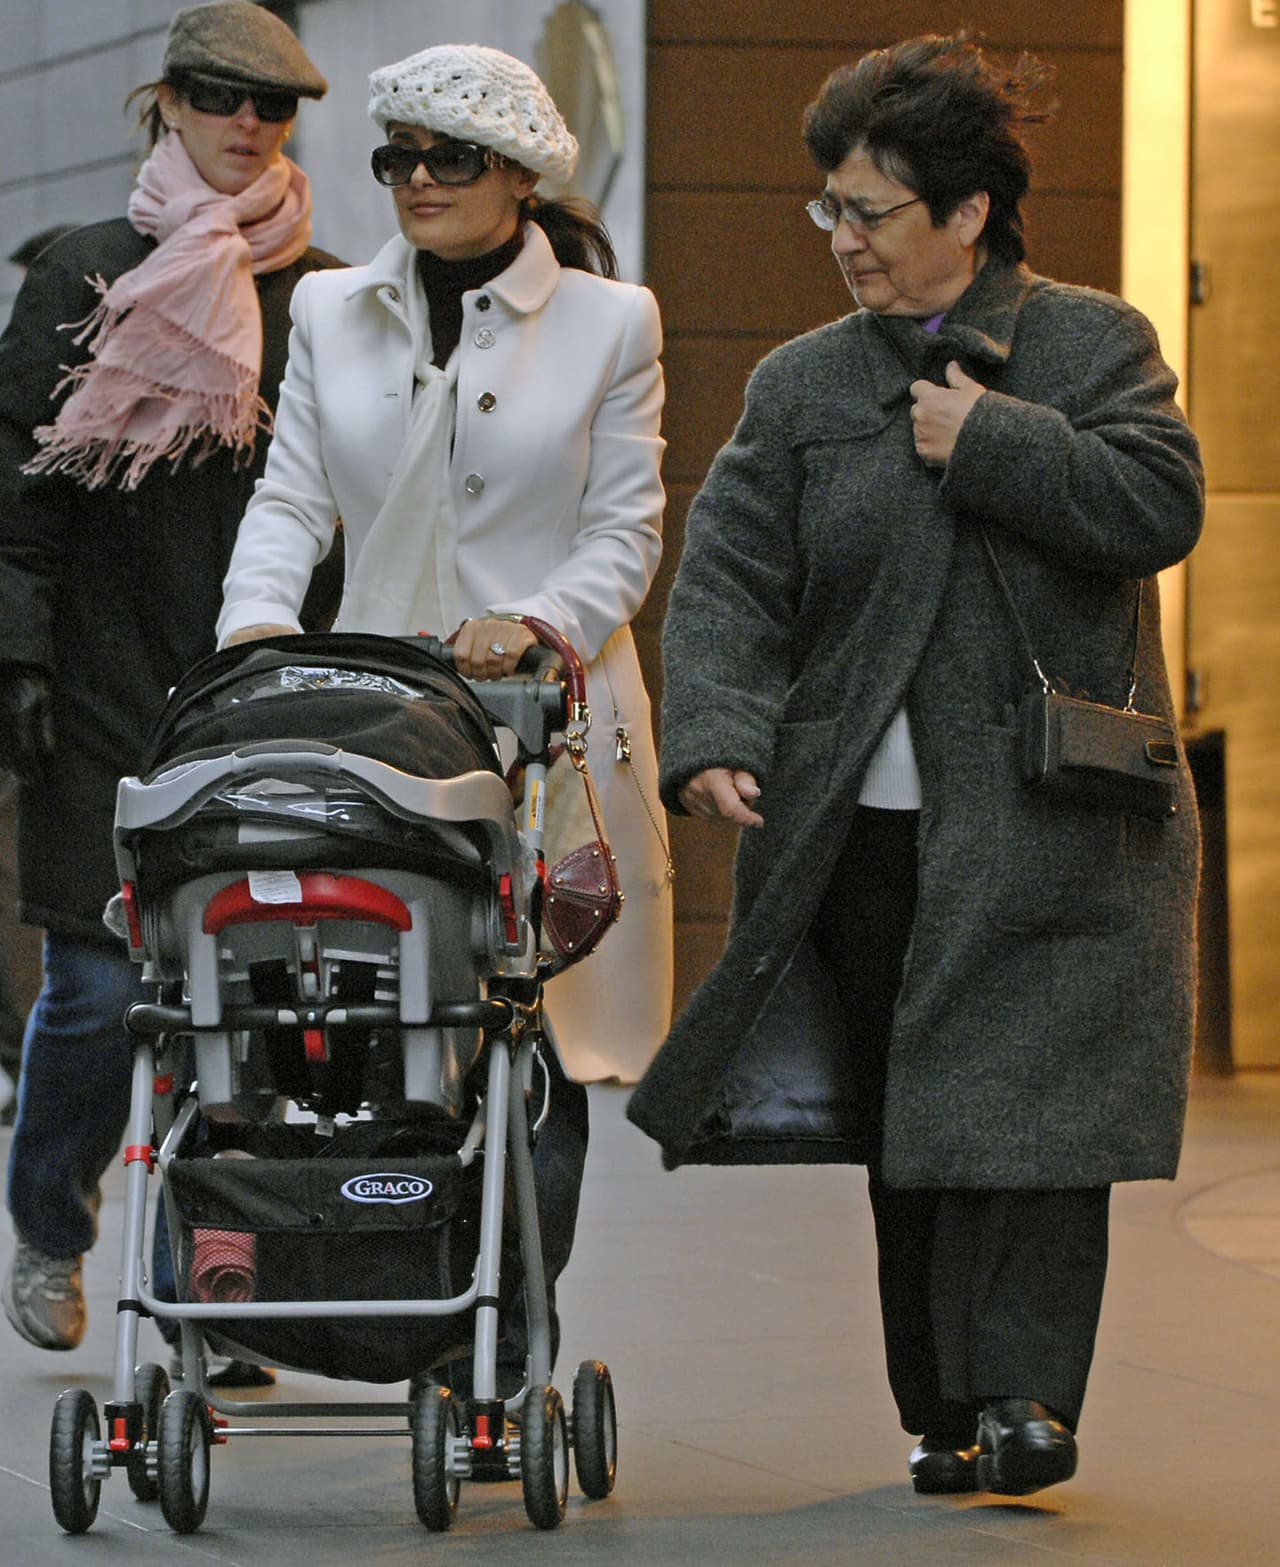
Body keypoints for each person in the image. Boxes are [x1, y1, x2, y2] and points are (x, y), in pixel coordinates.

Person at [627, 33, 1204, 1499]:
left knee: (1041, 1118)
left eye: (871, 211)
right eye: (828, 208)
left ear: (968, 210)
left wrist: (992, 437)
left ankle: (1029, 1401)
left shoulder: (1094, 344)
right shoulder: (804, 385)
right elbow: (732, 576)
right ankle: (945, 1409)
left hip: (1059, 810)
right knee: (916, 1123)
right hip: (866, 826)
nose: (843, 240)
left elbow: (1160, 503)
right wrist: (715, 734)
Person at [216, 43, 674, 1389]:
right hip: (375, 721)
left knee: (536, 1037)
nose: (418, 181)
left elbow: (626, 530)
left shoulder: (612, 322)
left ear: (520, 175)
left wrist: (536, 623)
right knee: (375, 1020)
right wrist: (255, 632)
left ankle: (507, 1339)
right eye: (397, 157)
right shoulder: (330, 310)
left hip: (549, 729)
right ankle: (397, 1300)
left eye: (451, 158)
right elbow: (294, 497)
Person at [0, 1, 343, 1361]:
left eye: (272, 106)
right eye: (217, 96)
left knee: (244, 1005)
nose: (246, 122)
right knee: (97, 994)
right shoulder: (83, 272)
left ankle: (210, 1284)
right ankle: (49, 1224)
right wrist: (16, 653)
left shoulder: (330, 294)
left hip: (258, 690)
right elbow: (21, 485)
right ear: (168, 102)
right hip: (95, 685)